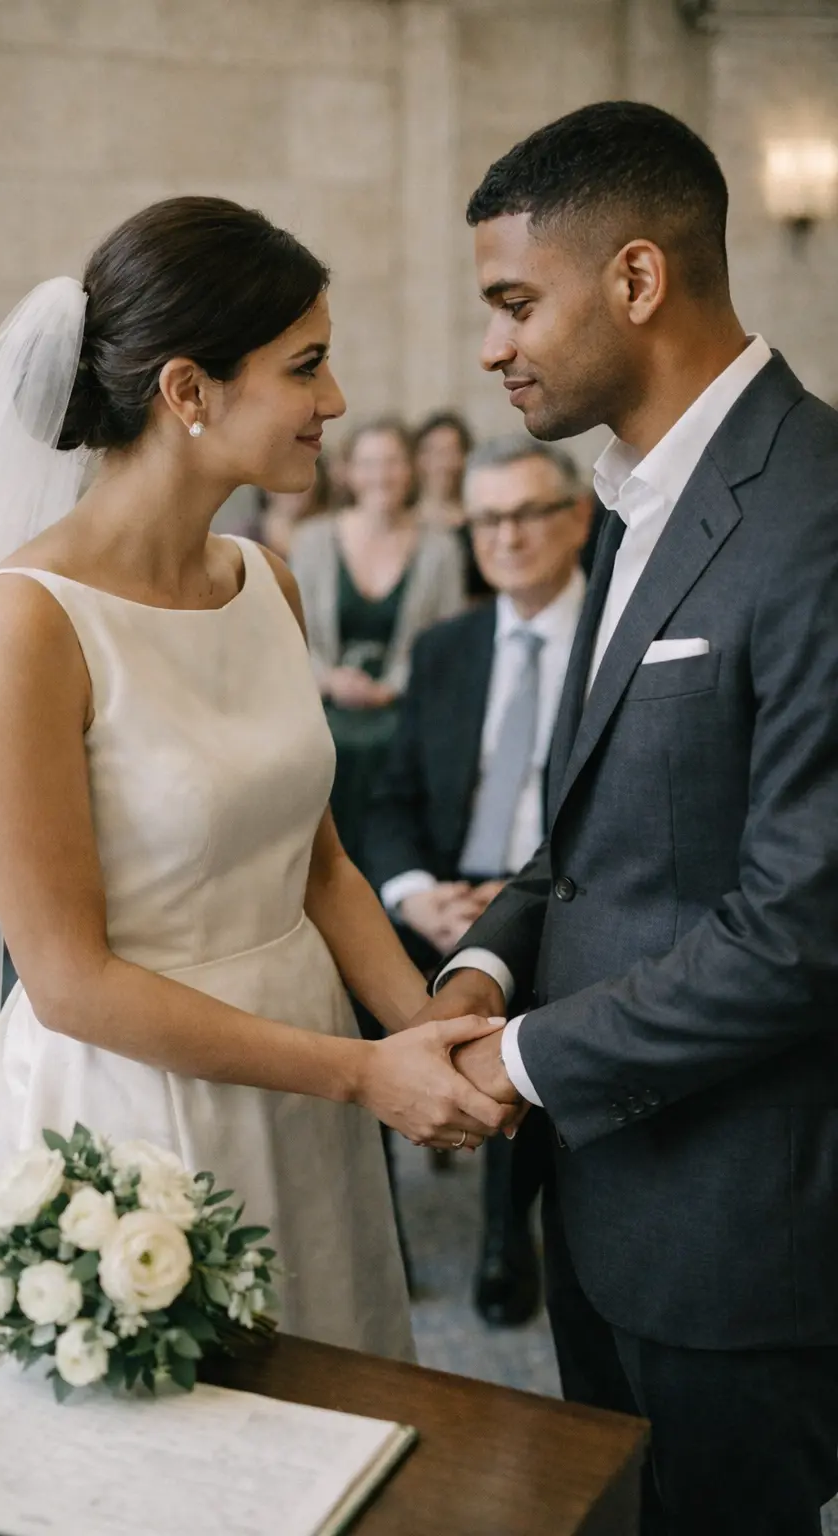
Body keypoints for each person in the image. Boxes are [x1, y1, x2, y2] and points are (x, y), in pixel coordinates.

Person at [0, 197, 507, 1360]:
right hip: (138, 1105)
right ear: (188, 391)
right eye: (307, 366)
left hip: (307, 1072)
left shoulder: (266, 584)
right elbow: (69, 981)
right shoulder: (22, 626)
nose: (335, 404)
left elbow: (321, 862)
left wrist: (424, 1032)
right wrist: (363, 1073)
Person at [418, 101, 838, 1534]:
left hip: (741, 1228)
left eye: (515, 302)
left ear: (640, 280)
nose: (492, 348)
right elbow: (588, 825)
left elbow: (798, 935)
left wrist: (521, 1056)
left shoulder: (819, 509)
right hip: (599, 1200)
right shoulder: (631, 495)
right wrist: (484, 964)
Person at [365, 436, 590, 1327]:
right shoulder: (448, 648)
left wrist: (505, 908)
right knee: (342, 987)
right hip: (448, 897)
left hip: (562, 901)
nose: (506, 536)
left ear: (577, 518)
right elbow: (394, 800)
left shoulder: (616, 636)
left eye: (528, 513)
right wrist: (416, 890)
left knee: (507, 1010)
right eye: (487, 518)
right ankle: (375, 1231)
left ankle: (507, 1239)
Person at [289, 419, 464, 872]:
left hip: (403, 710)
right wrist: (328, 680)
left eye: (392, 462)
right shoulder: (311, 540)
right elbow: (287, 630)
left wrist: (391, 689)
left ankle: (394, 884)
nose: (381, 475)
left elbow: (450, 637)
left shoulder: (441, 548)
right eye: (368, 463)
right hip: (319, 704)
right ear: (348, 472)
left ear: (411, 470)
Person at [413, 411, 490, 602]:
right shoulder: (403, 521)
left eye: (451, 451)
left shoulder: (482, 519)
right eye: (433, 451)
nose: (442, 462)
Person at [257, 454, 332, 560]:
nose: (292, 486)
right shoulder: (245, 538)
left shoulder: (332, 539)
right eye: (282, 477)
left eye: (302, 477)